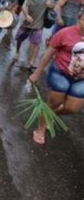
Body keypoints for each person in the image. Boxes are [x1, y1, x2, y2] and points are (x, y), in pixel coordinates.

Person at [29, 9, 84, 145]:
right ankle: (40, 129)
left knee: (73, 108)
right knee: (54, 103)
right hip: (61, 73)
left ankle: (49, 116)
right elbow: (48, 54)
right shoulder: (65, 33)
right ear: (79, 18)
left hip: (81, 79)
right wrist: (37, 73)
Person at [14, 0, 54, 68]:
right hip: (27, 21)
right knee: (20, 38)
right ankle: (17, 51)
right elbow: (25, 5)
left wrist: (50, 5)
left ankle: (32, 61)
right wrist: (27, 15)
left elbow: (52, 6)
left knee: (36, 42)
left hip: (39, 23)